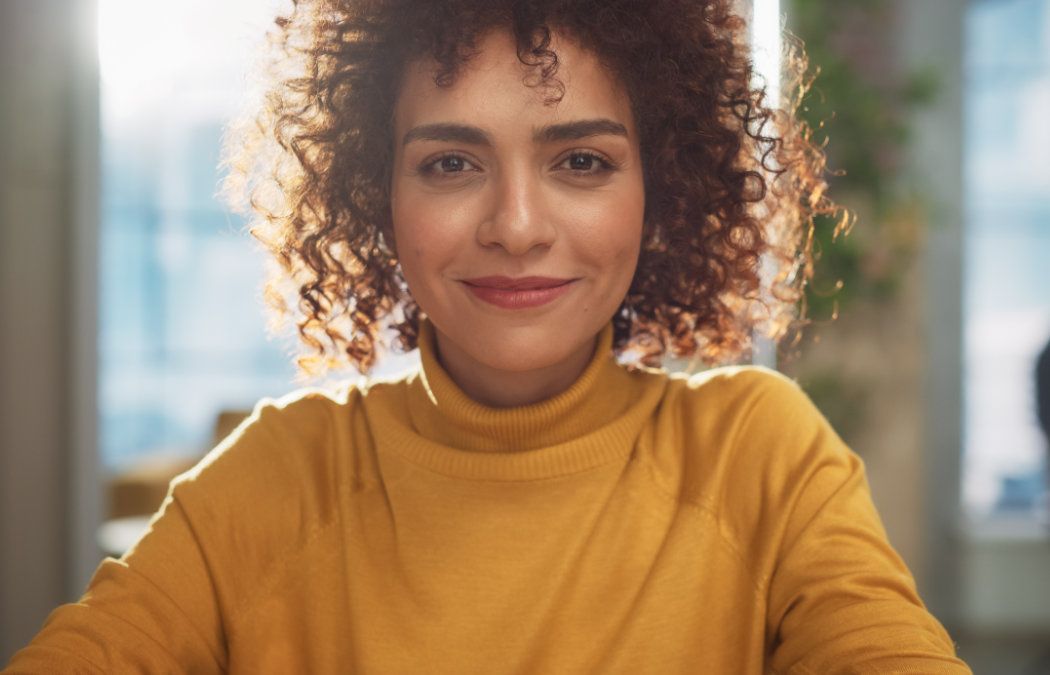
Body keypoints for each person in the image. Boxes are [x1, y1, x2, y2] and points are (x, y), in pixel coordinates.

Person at [6, 0, 971, 672]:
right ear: (375, 193)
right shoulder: (272, 480)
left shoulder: (758, 456)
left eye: (582, 160)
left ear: (659, 190)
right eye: (453, 161)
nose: (516, 225)